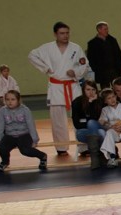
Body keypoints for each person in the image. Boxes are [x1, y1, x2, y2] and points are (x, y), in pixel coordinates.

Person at [28, 21, 88, 155]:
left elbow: (84, 65)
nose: (65, 36)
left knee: (80, 116)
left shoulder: (76, 48)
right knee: (58, 120)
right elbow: (32, 55)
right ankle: (61, 147)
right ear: (55, 34)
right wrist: (45, 68)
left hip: (72, 85)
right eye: (62, 33)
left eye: (67, 33)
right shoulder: (47, 48)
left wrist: (76, 72)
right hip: (56, 86)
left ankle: (83, 147)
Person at [0, 90, 48, 173]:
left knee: (25, 150)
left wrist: (35, 140)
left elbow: (31, 125)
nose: (10, 102)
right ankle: (5, 162)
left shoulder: (25, 110)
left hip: (24, 134)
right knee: (2, 148)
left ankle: (42, 156)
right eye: (7, 99)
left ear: (18, 100)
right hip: (10, 135)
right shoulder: (2, 111)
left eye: (13, 99)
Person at [71, 80, 105, 170]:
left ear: (96, 90)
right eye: (88, 89)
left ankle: (94, 158)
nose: (91, 92)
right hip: (83, 132)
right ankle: (101, 154)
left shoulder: (100, 101)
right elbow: (77, 124)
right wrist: (90, 103)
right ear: (83, 90)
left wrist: (92, 103)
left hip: (98, 129)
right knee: (98, 131)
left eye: (93, 89)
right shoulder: (77, 102)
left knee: (95, 126)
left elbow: (97, 119)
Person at [86, 21, 121, 89]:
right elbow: (91, 58)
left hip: (114, 69)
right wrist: (95, 69)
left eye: (107, 29)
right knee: (105, 89)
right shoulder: (92, 43)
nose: (107, 31)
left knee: (118, 87)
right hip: (102, 71)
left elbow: (119, 53)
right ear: (99, 30)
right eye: (105, 29)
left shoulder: (112, 40)